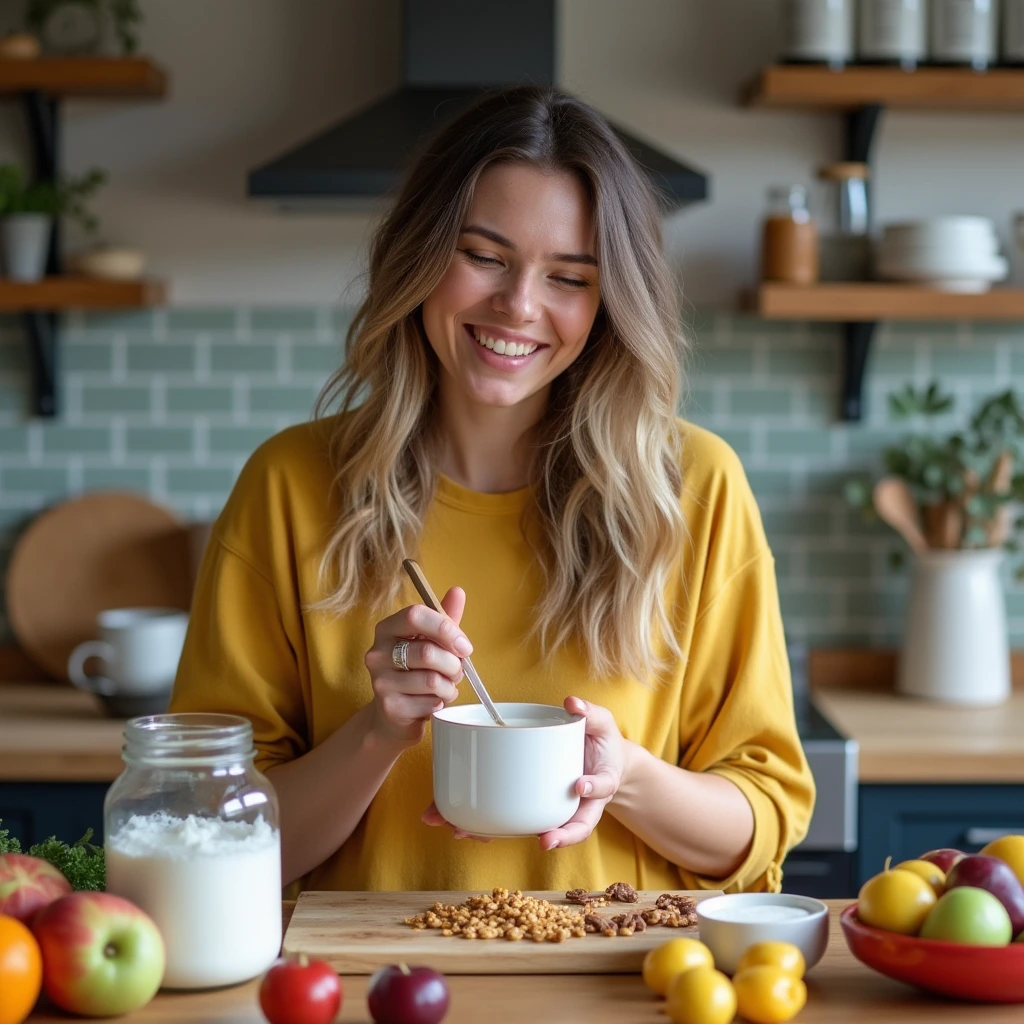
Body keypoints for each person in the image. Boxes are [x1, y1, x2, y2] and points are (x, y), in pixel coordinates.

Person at [169, 85, 814, 896]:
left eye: (570, 277)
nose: (519, 305)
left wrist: (627, 778)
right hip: (371, 994)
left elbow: (759, 824)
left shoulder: (694, 489)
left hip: (617, 995)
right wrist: (378, 732)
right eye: (483, 256)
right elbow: (214, 840)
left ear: (610, 302)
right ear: (420, 253)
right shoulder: (290, 485)